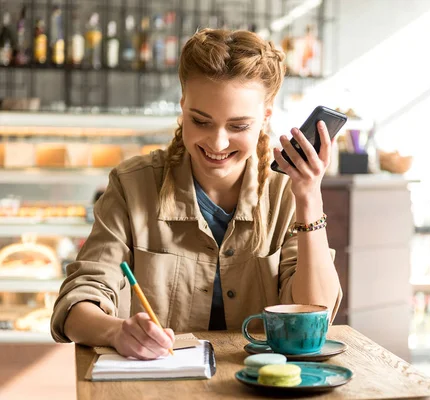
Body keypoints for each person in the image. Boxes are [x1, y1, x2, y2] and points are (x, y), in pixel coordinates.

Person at [50, 28, 342, 360]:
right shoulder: (132, 185)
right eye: (201, 121)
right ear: (183, 105)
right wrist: (116, 331)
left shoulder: (286, 191)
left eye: (238, 126)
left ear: (266, 118)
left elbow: (314, 317)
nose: (217, 143)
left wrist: (309, 199)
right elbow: (76, 302)